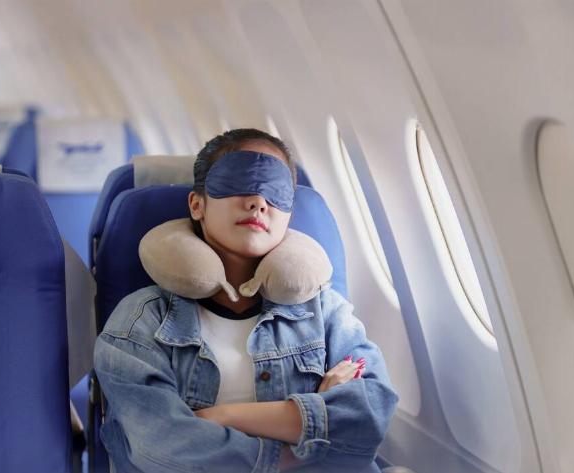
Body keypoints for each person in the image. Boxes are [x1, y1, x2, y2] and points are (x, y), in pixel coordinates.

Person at [94, 128, 398, 472]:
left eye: (275, 191)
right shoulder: (140, 322)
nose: (258, 202)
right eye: (236, 181)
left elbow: (370, 416)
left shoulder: (325, 312)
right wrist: (301, 444)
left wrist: (221, 416)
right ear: (197, 205)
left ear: (289, 214)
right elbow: (162, 449)